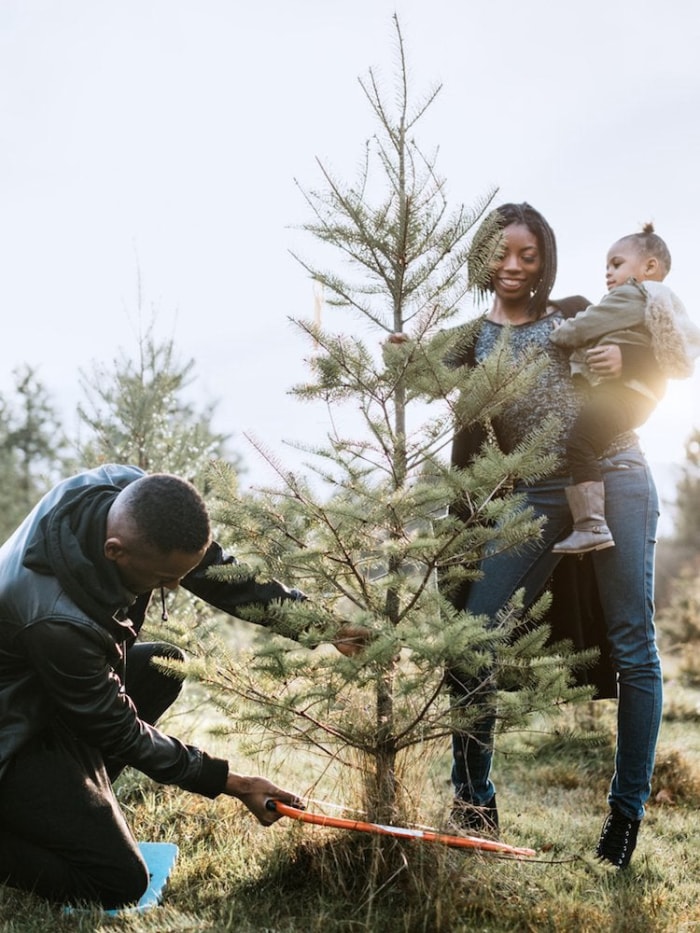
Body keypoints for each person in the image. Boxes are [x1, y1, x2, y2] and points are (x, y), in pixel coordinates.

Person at [445, 202, 663, 869]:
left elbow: (659, 362)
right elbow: (443, 417)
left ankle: (624, 816)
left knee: (633, 646)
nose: (512, 265)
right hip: (536, 493)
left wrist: (624, 353)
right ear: (482, 257)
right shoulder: (467, 340)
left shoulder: (574, 312)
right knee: (471, 638)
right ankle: (475, 804)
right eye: (500, 253)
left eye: (527, 255)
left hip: (617, 475)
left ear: (545, 262)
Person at [0, 464, 312, 909]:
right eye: (165, 580)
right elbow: (118, 729)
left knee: (163, 664)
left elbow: (215, 572)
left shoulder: (126, 492)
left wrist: (316, 624)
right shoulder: (57, 618)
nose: (175, 586)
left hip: (46, 694)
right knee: (119, 883)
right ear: (115, 551)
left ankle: (72, 811)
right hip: (11, 737)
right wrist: (234, 783)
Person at [549, 223, 700, 554]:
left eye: (616, 264)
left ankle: (590, 525)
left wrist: (561, 333)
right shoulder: (660, 306)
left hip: (625, 392)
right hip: (641, 398)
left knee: (580, 441)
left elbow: (590, 322)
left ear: (649, 268)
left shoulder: (633, 294)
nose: (608, 273)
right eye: (606, 266)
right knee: (588, 436)